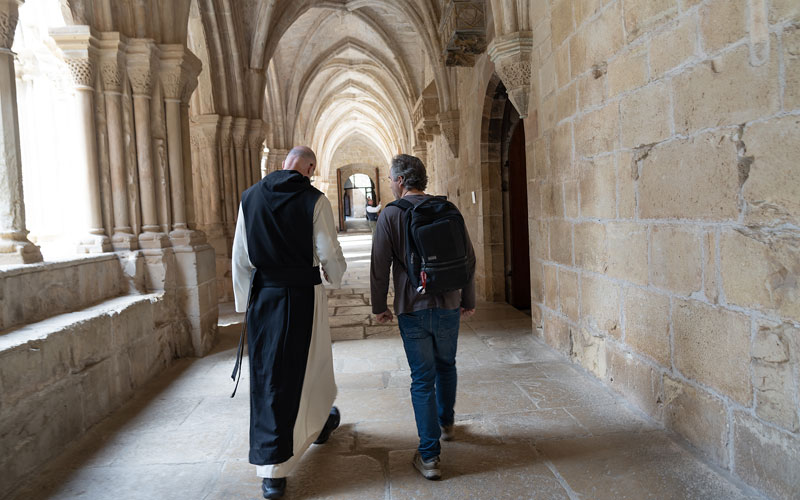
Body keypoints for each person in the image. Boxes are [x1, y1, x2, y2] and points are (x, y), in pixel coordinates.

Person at [232, 146, 347, 499]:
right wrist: (336, 277)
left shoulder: (250, 197)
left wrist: (244, 304)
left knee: (269, 375)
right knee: (309, 366)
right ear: (309, 168)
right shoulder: (314, 199)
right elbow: (327, 251)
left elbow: (241, 256)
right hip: (302, 297)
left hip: (264, 300)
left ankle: (278, 462)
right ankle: (289, 453)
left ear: (284, 164)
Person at [370, 154, 476, 480]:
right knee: (447, 365)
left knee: (421, 379)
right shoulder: (449, 209)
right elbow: (469, 259)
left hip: (411, 308)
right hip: (448, 304)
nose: (389, 183)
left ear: (401, 181)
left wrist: (379, 306)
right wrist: (467, 299)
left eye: (390, 178)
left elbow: (379, 265)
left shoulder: (391, 215)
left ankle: (429, 457)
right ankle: (447, 424)